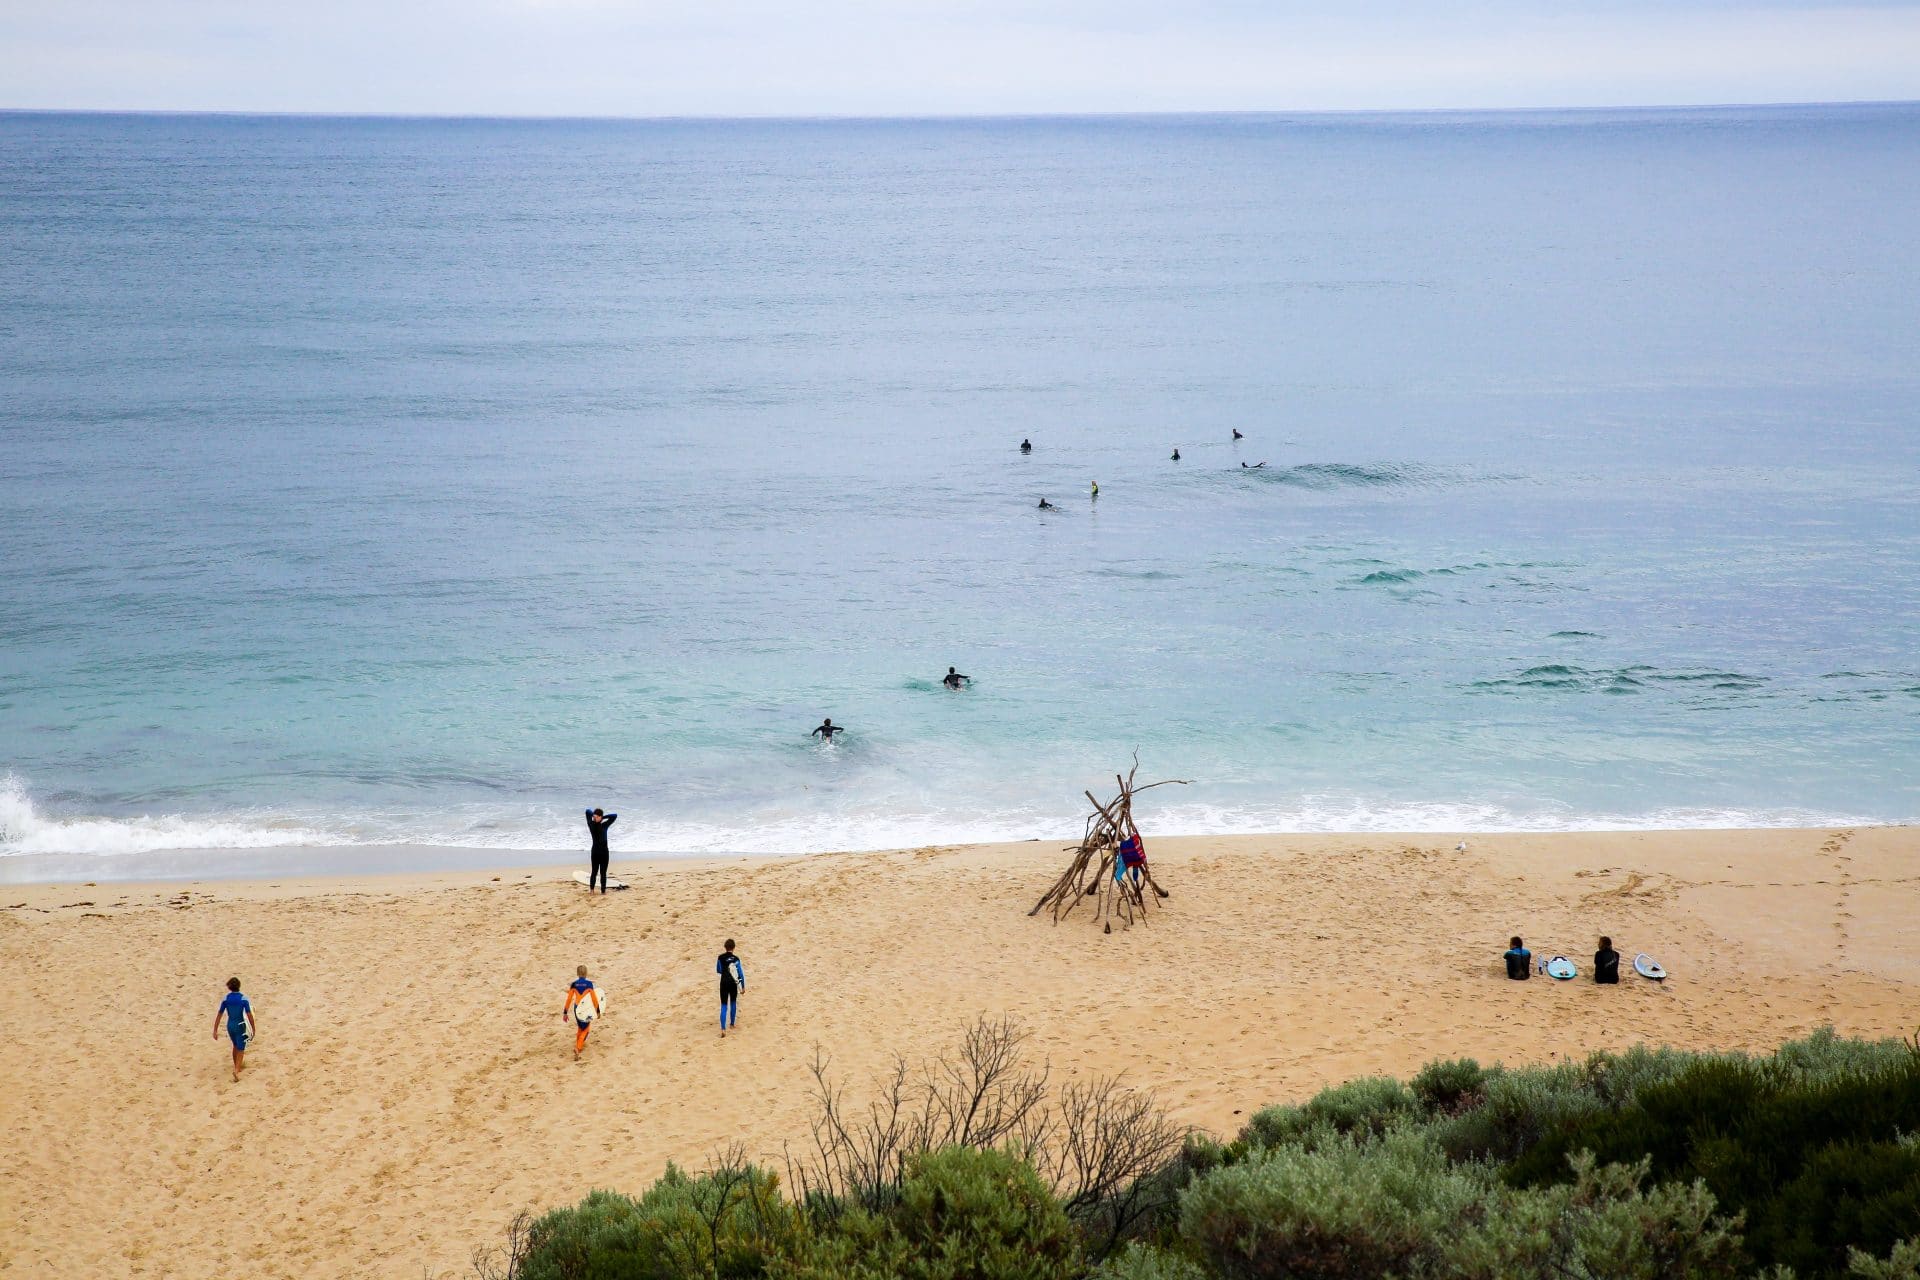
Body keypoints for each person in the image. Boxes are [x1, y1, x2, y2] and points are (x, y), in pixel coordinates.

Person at [213, 977, 257, 1082]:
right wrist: (253, 1028)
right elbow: (249, 1015)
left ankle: (236, 1066)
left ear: (229, 987)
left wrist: (215, 1029)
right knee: (241, 1048)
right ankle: (237, 1070)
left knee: (235, 1045)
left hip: (230, 1025)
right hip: (240, 1025)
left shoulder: (226, 999)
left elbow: (219, 1014)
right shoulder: (243, 999)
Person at [562, 965, 601, 1060]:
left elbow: (569, 999)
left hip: (577, 1009)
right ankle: (578, 1048)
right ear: (586, 973)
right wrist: (598, 1010)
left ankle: (578, 1044)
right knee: (586, 1029)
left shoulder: (574, 984)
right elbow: (594, 999)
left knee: (580, 1026)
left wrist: (565, 1012)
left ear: (577, 974)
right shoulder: (589, 984)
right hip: (586, 1009)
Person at [584, 807, 617, 893]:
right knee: (594, 872)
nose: (595, 818)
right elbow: (587, 811)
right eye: (594, 817)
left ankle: (603, 891)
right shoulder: (591, 824)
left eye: (597, 817)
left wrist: (603, 817)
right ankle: (591, 890)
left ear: (601, 817)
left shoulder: (605, 825)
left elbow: (614, 816)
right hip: (595, 852)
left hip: (604, 852)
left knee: (603, 873)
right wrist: (594, 815)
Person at [717, 939, 745, 1037]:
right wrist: (743, 986)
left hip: (724, 983)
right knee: (733, 1002)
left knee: (724, 1005)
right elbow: (740, 973)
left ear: (725, 947)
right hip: (733, 983)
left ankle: (723, 1029)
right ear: (733, 947)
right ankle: (732, 1024)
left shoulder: (720, 957)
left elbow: (719, 970)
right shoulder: (736, 959)